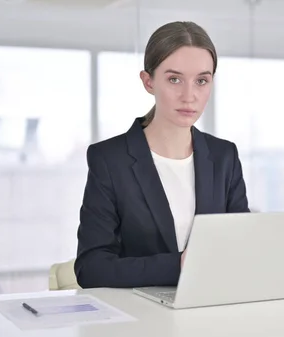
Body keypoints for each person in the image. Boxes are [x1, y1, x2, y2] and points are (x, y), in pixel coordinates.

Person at [74, 21, 250, 289]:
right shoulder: (110, 160)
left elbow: (241, 246)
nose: (189, 96)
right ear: (148, 82)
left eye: (201, 81)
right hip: (140, 319)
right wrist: (179, 266)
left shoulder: (224, 156)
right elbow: (91, 268)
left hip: (213, 310)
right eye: (174, 79)